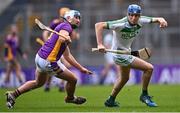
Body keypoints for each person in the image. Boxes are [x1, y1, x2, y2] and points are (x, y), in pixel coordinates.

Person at [5, 10, 92, 109]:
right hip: (48, 61)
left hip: (39, 57)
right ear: (68, 18)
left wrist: (81, 68)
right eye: (76, 17)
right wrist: (66, 37)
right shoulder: (66, 27)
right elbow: (61, 39)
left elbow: (68, 56)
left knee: (38, 83)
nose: (78, 20)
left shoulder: (63, 27)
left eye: (79, 18)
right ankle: (70, 98)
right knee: (73, 79)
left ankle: (13, 95)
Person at [95, 4, 167, 107]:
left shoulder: (141, 20)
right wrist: (100, 44)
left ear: (139, 16)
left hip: (126, 52)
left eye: (136, 15)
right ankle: (144, 95)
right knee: (149, 68)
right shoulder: (120, 23)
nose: (134, 18)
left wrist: (162, 20)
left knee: (124, 78)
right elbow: (98, 25)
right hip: (119, 55)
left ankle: (110, 100)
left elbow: (157, 19)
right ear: (128, 14)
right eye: (131, 15)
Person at [41, 7, 80, 92]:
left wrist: (75, 36)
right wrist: (46, 40)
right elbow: (45, 32)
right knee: (54, 64)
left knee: (65, 65)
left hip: (62, 48)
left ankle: (60, 84)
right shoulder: (56, 23)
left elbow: (72, 36)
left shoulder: (69, 26)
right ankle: (49, 84)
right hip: (54, 48)